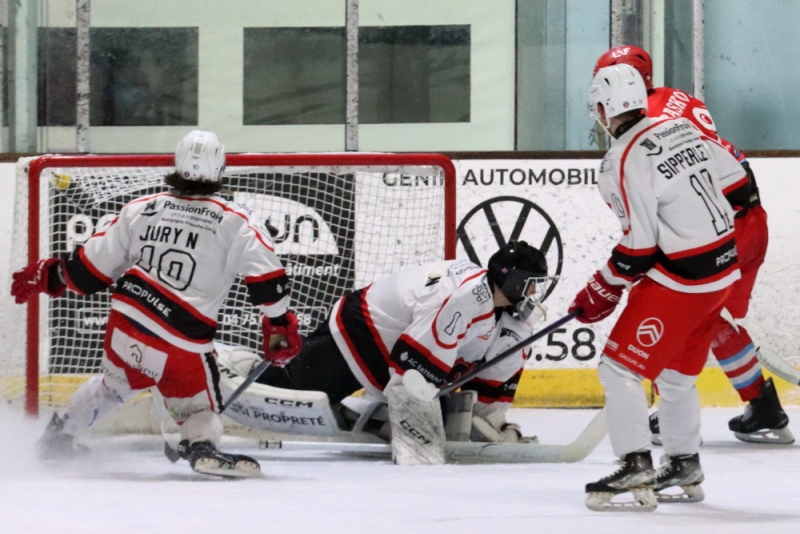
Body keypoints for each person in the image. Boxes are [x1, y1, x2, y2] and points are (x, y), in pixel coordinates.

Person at [10, 130, 302, 478]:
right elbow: (268, 279)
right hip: (182, 337)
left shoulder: (141, 209)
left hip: (126, 321)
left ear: (176, 163)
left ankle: (57, 437)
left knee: (114, 386)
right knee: (197, 405)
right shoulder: (236, 220)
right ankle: (201, 447)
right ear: (221, 167)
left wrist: (53, 276)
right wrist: (279, 323)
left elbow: (90, 270)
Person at [593, 46, 791, 445]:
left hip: (715, 231)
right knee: (716, 321)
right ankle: (762, 405)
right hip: (746, 218)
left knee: (689, 314)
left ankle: (676, 420)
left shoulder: (646, 124)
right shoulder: (679, 99)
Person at [572, 64, 746, 511]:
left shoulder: (621, 160)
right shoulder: (681, 126)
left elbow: (639, 248)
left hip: (683, 280)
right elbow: (736, 178)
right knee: (675, 376)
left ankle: (635, 463)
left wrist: (602, 287)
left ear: (602, 109)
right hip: (725, 270)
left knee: (618, 370)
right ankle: (684, 462)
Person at [249, 241, 553, 444]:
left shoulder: (508, 319)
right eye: (531, 284)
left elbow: (496, 375)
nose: (535, 293)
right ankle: (240, 376)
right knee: (297, 391)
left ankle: (380, 419)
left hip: (392, 343)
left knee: (444, 416)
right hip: (362, 330)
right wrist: (414, 431)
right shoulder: (466, 298)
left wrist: (491, 427)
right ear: (512, 280)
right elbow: (415, 367)